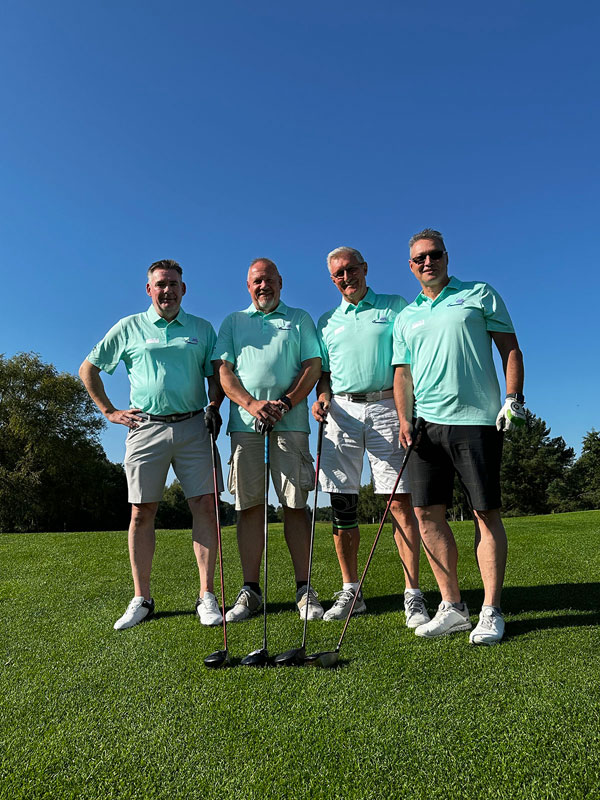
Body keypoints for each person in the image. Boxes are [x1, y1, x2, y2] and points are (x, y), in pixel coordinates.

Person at [393, 229, 526, 644]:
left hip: (477, 421)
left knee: (484, 513)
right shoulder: (406, 316)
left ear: (446, 257)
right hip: (425, 427)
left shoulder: (479, 294)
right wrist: (404, 420)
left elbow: (510, 348)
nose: (427, 262)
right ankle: (452, 607)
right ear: (411, 266)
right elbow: (402, 374)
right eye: (419, 258)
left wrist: (513, 397)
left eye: (434, 255)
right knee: (426, 514)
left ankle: (491, 610)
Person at [79, 259, 225, 630]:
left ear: (183, 289)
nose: (167, 290)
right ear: (149, 289)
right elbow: (88, 369)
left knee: (206, 507)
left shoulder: (202, 329)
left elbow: (216, 376)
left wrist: (214, 404)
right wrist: (109, 411)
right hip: (145, 428)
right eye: (160, 284)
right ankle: (142, 598)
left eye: (173, 284)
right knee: (141, 512)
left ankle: (206, 595)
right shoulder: (129, 326)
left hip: (194, 425)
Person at [311, 246, 429, 626]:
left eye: (351, 269)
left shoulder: (394, 306)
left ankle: (412, 593)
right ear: (332, 279)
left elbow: (408, 361)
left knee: (399, 502)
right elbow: (324, 375)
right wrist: (322, 397)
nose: (346, 278)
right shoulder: (327, 321)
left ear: (364, 268)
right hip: (342, 411)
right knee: (342, 503)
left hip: (386, 407)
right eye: (338, 274)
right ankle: (351, 591)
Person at [213, 258, 323, 622]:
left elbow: (312, 366)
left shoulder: (300, 318)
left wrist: (286, 402)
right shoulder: (233, 322)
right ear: (248, 286)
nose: (264, 286)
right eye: (257, 281)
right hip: (246, 427)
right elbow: (223, 371)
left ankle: (304, 589)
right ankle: (251, 591)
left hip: (291, 424)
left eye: (269, 280)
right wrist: (252, 404)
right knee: (248, 507)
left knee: (295, 505)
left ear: (280, 282)